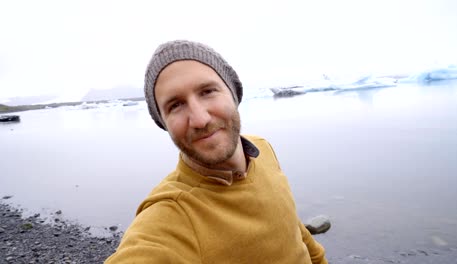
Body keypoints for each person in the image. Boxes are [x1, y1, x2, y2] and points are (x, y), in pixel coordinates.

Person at [106, 40, 327, 264]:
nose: (200, 119)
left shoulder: (263, 149)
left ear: (233, 93)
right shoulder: (174, 215)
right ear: (164, 123)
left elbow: (292, 228)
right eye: (175, 105)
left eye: (208, 91)